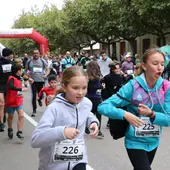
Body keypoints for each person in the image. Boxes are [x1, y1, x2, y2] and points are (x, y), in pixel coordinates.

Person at [98, 48, 170, 170]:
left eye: (162, 64)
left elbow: (168, 119)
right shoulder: (132, 86)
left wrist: (152, 114)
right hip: (134, 141)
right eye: (155, 63)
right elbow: (103, 107)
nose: (160, 68)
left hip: (153, 140)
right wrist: (125, 114)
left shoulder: (166, 87)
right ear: (144, 66)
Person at [31, 66, 99, 170]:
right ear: (64, 86)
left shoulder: (86, 103)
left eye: (84, 88)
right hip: (53, 165)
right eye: (75, 88)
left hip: (78, 161)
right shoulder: (54, 108)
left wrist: (92, 121)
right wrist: (62, 132)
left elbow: (85, 113)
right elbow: (35, 140)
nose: (80, 92)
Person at [5, 64, 28, 139]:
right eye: (21, 70)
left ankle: (19, 132)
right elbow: (10, 87)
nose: (21, 72)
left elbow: (25, 79)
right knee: (10, 116)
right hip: (11, 101)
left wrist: (28, 79)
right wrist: (21, 90)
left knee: (21, 115)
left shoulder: (19, 78)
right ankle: (10, 128)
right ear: (18, 71)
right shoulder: (11, 78)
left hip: (18, 100)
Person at [25, 49, 49, 117]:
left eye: (37, 53)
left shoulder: (42, 61)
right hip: (33, 81)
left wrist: (46, 75)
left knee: (41, 95)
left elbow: (48, 69)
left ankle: (39, 100)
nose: (36, 54)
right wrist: (28, 77)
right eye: (34, 53)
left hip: (41, 80)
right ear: (32, 54)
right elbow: (25, 70)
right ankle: (34, 110)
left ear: (39, 54)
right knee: (34, 96)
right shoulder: (29, 61)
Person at [101, 61, 124, 128]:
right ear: (112, 69)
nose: (118, 70)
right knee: (112, 109)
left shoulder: (119, 76)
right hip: (109, 95)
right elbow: (103, 84)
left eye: (119, 68)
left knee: (116, 109)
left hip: (117, 95)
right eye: (116, 69)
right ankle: (110, 122)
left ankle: (112, 122)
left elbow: (120, 85)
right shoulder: (107, 77)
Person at [86, 61, 104, 138]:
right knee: (98, 114)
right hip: (96, 97)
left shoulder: (87, 76)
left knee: (90, 113)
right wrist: (102, 86)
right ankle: (98, 130)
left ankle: (87, 127)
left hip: (89, 96)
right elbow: (96, 86)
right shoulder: (96, 77)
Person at [0, 48, 14, 131]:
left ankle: (3, 114)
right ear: (8, 55)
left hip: (8, 85)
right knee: (1, 104)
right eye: (11, 54)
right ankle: (1, 123)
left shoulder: (12, 63)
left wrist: (27, 78)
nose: (12, 56)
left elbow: (17, 72)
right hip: (0, 85)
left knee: (6, 105)